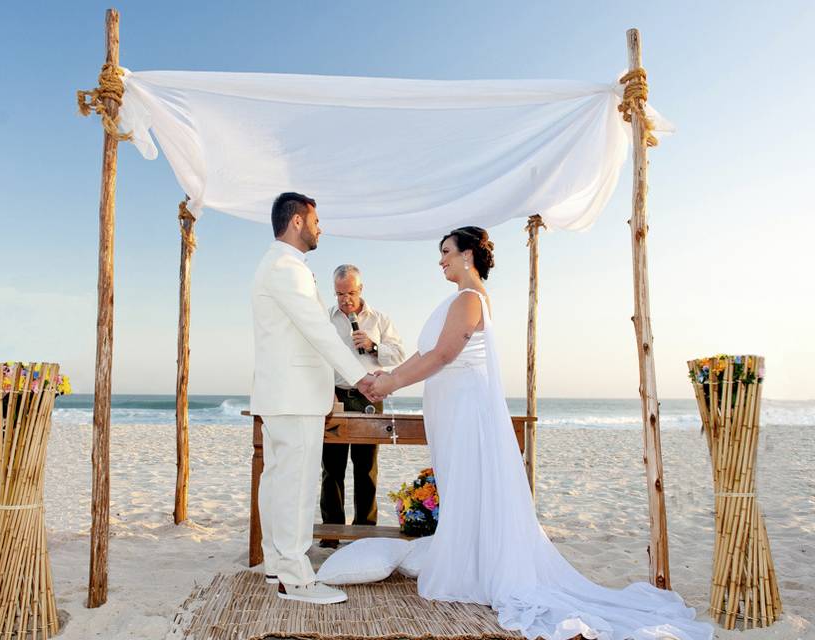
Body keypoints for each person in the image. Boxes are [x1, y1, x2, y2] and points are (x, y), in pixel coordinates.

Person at [367, 227, 712, 640]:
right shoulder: (462, 299)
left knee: (468, 482)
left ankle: (471, 570)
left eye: (446, 252)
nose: (440, 260)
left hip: (464, 408)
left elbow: (443, 354)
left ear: (467, 256)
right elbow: (427, 355)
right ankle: (469, 562)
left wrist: (391, 384)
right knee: (461, 486)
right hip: (452, 406)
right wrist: (388, 375)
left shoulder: (468, 300)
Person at [250, 192, 378, 605]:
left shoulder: (277, 266)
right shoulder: (287, 268)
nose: (321, 228)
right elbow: (320, 332)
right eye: (316, 220)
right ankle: (295, 578)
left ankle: (275, 565)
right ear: (298, 222)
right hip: (295, 397)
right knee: (295, 485)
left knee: (277, 481)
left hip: (281, 395)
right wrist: (362, 378)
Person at [320, 265, 406, 546]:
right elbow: (317, 357)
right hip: (334, 394)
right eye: (339, 294)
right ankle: (331, 532)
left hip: (370, 396)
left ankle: (364, 532)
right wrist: (324, 391)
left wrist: (373, 346)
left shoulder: (379, 319)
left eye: (351, 293)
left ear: (362, 289)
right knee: (332, 468)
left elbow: (400, 353)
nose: (345, 300)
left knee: (366, 466)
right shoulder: (325, 319)